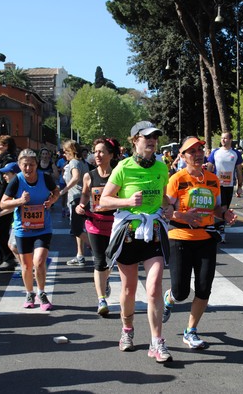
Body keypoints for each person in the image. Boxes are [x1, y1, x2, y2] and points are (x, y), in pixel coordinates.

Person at [99, 121, 173, 363]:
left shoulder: (162, 167)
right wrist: (128, 202)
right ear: (135, 141)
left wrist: (169, 208)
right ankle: (127, 331)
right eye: (146, 137)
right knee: (129, 288)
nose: (151, 141)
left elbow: (164, 199)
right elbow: (104, 201)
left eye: (154, 137)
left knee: (153, 289)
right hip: (129, 234)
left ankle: (157, 342)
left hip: (152, 232)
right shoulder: (123, 167)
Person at [162, 136, 238, 349]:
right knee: (181, 292)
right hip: (180, 237)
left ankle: (191, 330)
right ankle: (169, 298)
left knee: (204, 288)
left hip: (206, 237)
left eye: (199, 150)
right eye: (191, 151)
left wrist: (226, 214)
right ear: (183, 156)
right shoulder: (176, 179)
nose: (197, 154)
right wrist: (182, 216)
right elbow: (166, 212)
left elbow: (217, 208)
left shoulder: (213, 180)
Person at [1, 149, 60, 310]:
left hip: (43, 227)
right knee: (27, 266)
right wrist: (19, 201)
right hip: (23, 229)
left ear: (36, 165)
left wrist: (52, 200)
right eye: (25, 165)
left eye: (31, 165)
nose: (28, 168)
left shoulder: (45, 178)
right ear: (20, 166)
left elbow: (56, 191)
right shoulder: (17, 181)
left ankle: (41, 292)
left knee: (39, 261)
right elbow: (3, 203)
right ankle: (29, 293)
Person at [75, 137, 120, 316]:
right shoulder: (89, 175)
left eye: (102, 151)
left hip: (114, 224)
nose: (97, 155)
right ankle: (101, 299)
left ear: (110, 155)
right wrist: (81, 205)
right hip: (94, 223)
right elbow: (85, 196)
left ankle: (105, 278)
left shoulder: (117, 175)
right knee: (98, 261)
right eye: (96, 151)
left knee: (110, 261)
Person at [207, 131, 243, 242]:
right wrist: (207, 183)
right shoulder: (215, 152)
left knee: (225, 208)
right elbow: (209, 167)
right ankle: (219, 230)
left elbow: (239, 170)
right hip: (216, 185)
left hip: (229, 185)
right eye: (222, 138)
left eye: (225, 138)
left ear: (230, 140)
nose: (223, 140)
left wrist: (240, 185)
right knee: (218, 207)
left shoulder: (236, 154)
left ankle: (220, 229)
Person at [60, 140, 92, 266]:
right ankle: (80, 255)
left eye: (66, 151)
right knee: (79, 228)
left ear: (72, 151)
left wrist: (64, 190)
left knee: (76, 229)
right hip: (84, 198)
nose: (64, 154)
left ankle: (97, 248)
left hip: (76, 198)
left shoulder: (73, 162)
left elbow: (76, 177)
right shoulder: (83, 162)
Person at [0, 135, 18, 272]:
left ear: (6, 146)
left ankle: (8, 258)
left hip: (5, 198)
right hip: (2, 197)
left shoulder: (8, 161)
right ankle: (5, 256)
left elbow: (4, 184)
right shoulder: (1, 160)